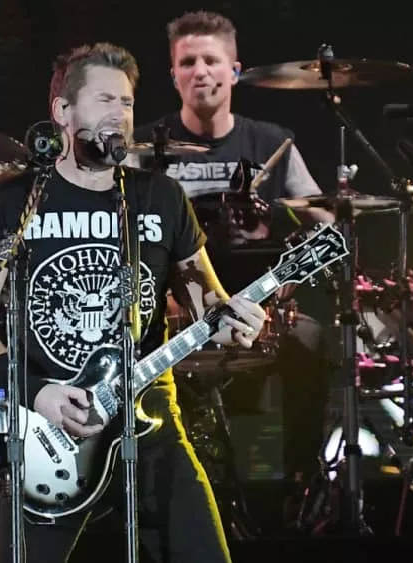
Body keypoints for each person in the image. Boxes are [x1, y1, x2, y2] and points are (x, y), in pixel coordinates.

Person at [0, 42, 267, 562]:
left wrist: (238, 322)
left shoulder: (158, 198)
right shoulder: (14, 203)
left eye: (127, 102)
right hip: (48, 432)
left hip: (150, 422)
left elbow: (209, 304)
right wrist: (37, 393)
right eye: (104, 101)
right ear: (63, 112)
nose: (120, 114)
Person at [133, 10, 335, 492]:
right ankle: (152, 489)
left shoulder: (271, 142)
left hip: (260, 306)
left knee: (316, 342)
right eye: (187, 62)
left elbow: (324, 218)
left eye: (210, 60)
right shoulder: (145, 146)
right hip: (174, 311)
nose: (200, 71)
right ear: (174, 76)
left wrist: (283, 211)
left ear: (234, 71)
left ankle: (301, 484)